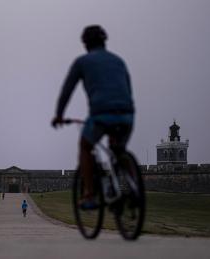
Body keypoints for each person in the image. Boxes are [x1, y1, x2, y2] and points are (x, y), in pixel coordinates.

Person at [51, 25, 134, 209]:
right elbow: (128, 89)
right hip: (127, 114)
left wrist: (58, 115)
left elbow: (67, 91)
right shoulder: (119, 61)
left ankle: (89, 195)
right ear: (104, 41)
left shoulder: (82, 62)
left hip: (102, 115)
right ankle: (134, 188)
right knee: (119, 150)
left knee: (85, 147)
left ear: (85, 43)